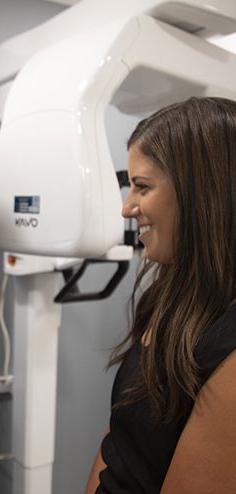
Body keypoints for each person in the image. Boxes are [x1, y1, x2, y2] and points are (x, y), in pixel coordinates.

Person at [84, 96, 236, 494]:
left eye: (142, 187)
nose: (127, 208)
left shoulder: (228, 344)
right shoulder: (171, 296)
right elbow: (120, 438)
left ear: (202, 194)